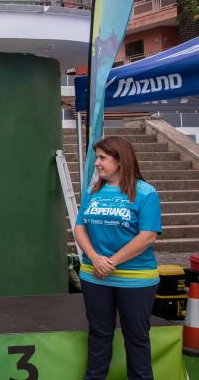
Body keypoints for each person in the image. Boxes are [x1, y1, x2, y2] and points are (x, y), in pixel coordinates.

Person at [74, 136, 162, 380]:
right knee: (99, 336)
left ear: (120, 160)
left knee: (137, 339)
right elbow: (80, 227)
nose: (98, 164)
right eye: (97, 158)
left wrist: (110, 262)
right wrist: (94, 258)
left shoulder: (145, 192)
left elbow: (147, 236)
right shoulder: (94, 192)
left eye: (102, 158)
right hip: (95, 277)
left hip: (135, 279)